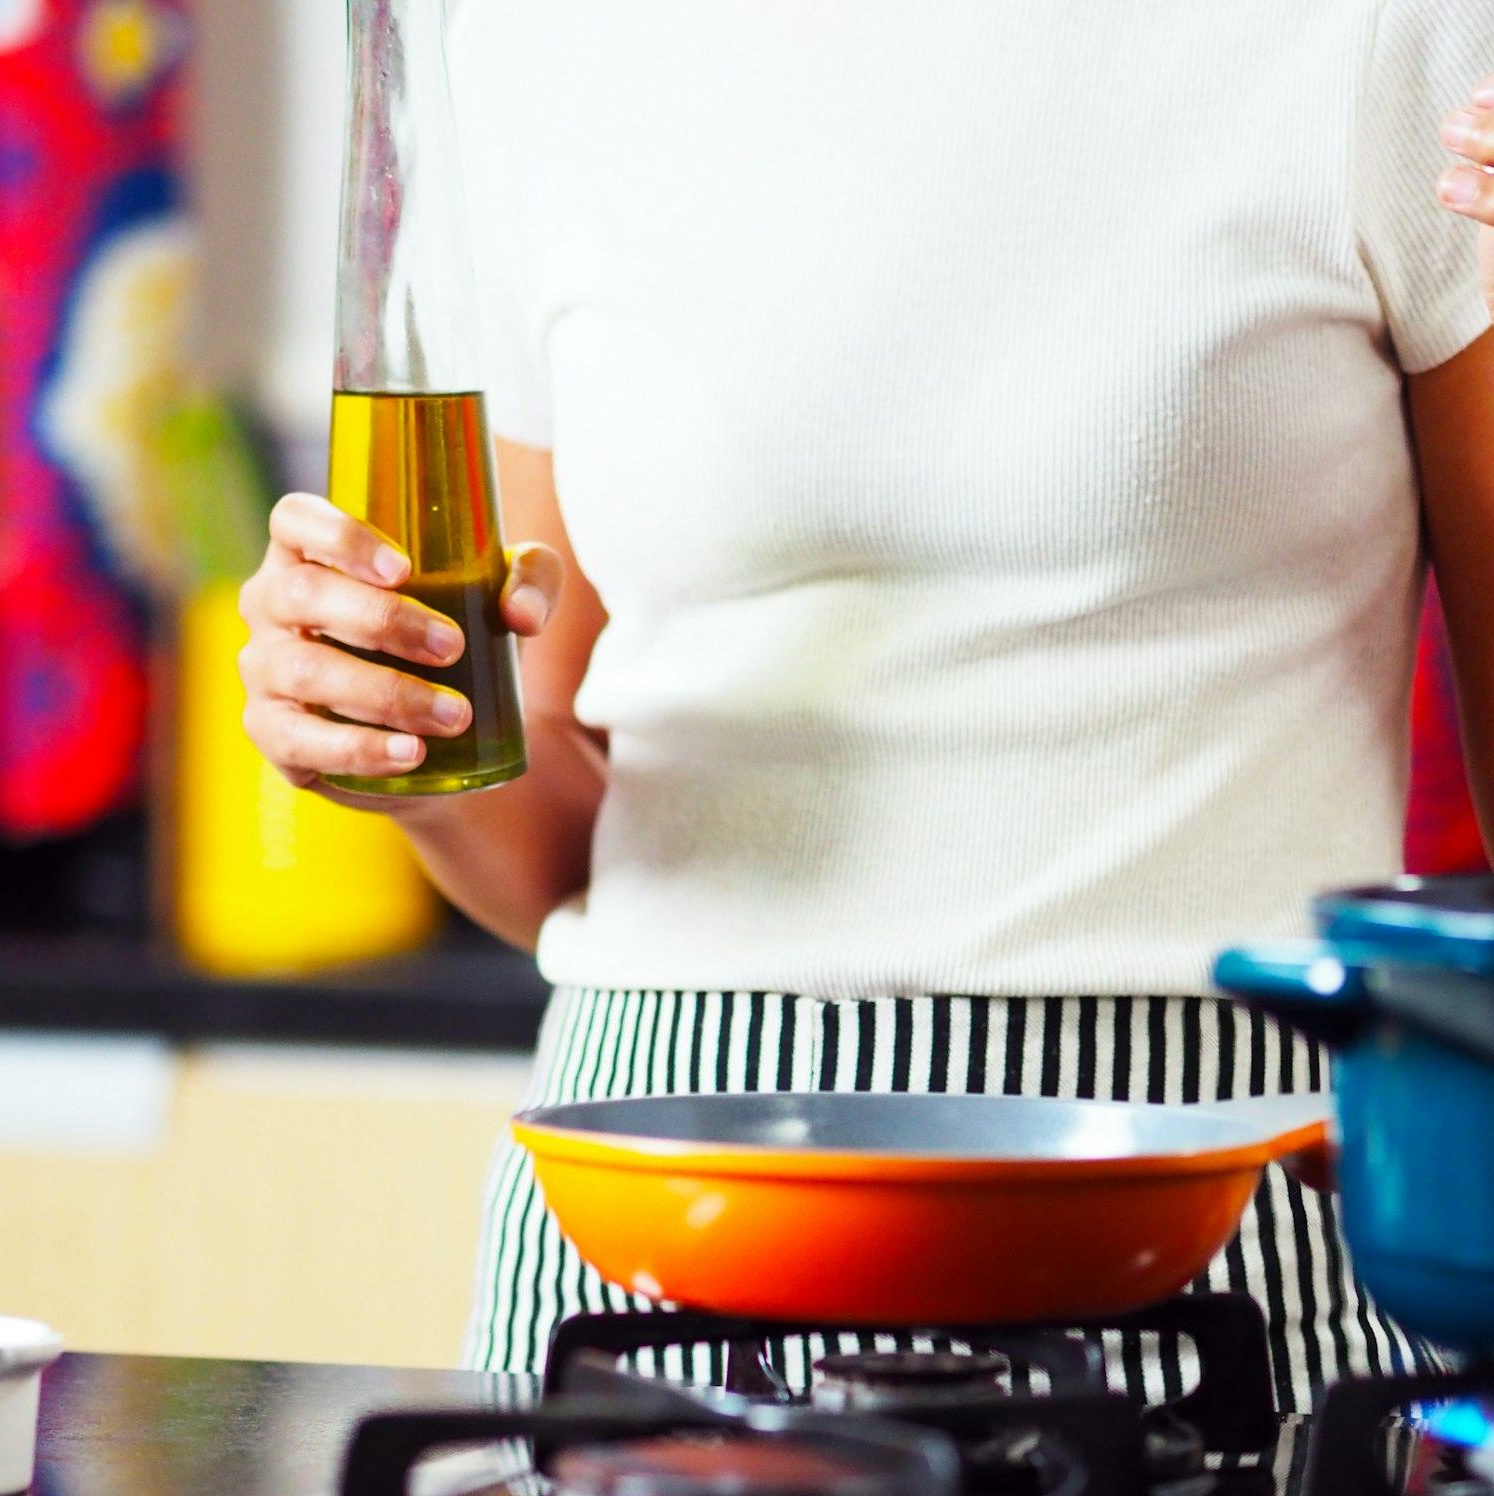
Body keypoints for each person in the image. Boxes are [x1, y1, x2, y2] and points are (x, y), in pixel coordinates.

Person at [237, 3, 1494, 1410]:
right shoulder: (536, 39)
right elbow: (553, 851)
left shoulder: (1395, 31)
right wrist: (396, 738)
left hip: (1215, 1241)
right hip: (647, 1256)